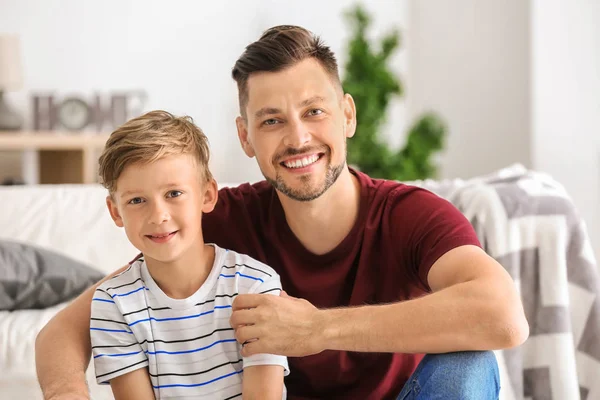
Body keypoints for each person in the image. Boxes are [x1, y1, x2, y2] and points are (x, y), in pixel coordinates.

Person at [36, 26, 529, 400]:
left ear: (348, 115)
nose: (297, 138)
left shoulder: (411, 215)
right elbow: (64, 331)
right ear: (246, 137)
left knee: (469, 364)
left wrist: (319, 330)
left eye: (314, 111)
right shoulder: (218, 220)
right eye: (272, 120)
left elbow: (503, 317)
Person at [89, 110, 288, 399]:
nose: (158, 216)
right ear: (115, 211)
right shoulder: (112, 304)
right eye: (137, 200)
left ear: (207, 195)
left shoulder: (255, 285)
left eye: (173, 194)